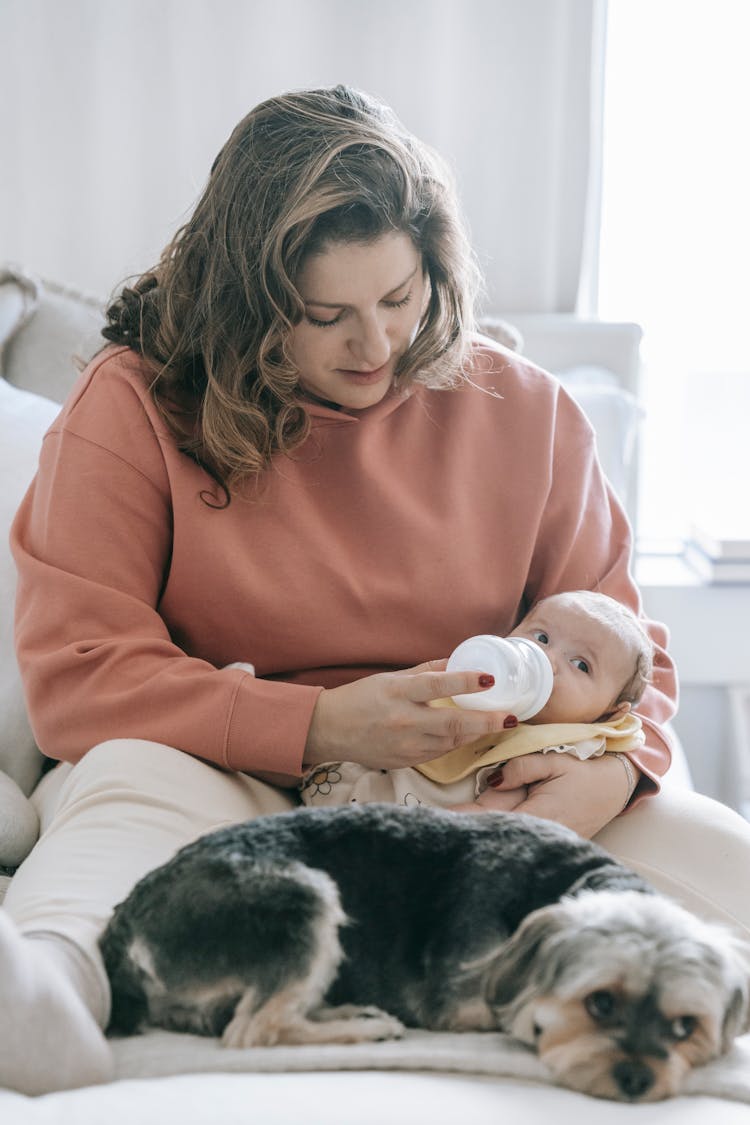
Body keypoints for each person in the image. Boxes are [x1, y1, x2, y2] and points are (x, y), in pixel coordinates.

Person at [3, 85, 749, 1097]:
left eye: (400, 300)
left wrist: (614, 776)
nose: (377, 346)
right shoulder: (133, 405)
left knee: (723, 868)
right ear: (247, 304)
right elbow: (80, 678)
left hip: (492, 790)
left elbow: (625, 650)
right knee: (123, 797)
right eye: (326, 316)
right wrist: (316, 725)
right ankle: (50, 990)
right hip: (223, 767)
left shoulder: (530, 415)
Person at [299, 589, 652, 813]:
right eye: (541, 636)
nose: (547, 661)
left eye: (581, 665)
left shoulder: (567, 750)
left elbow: (496, 812)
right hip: (341, 783)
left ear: (609, 712)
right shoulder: (469, 685)